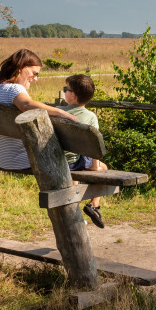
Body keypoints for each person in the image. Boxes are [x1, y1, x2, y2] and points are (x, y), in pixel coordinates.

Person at [0, 49, 78, 171]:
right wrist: (61, 112)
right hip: (23, 160)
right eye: (34, 73)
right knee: (77, 160)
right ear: (20, 68)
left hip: (2, 159)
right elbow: (25, 105)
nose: (35, 79)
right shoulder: (14, 89)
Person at [57, 74, 108, 228]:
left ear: (73, 95)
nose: (64, 91)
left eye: (65, 89)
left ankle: (76, 212)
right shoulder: (91, 117)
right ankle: (94, 205)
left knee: (73, 177)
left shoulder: (57, 111)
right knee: (104, 168)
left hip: (57, 161)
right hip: (75, 163)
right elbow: (94, 146)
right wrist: (95, 167)